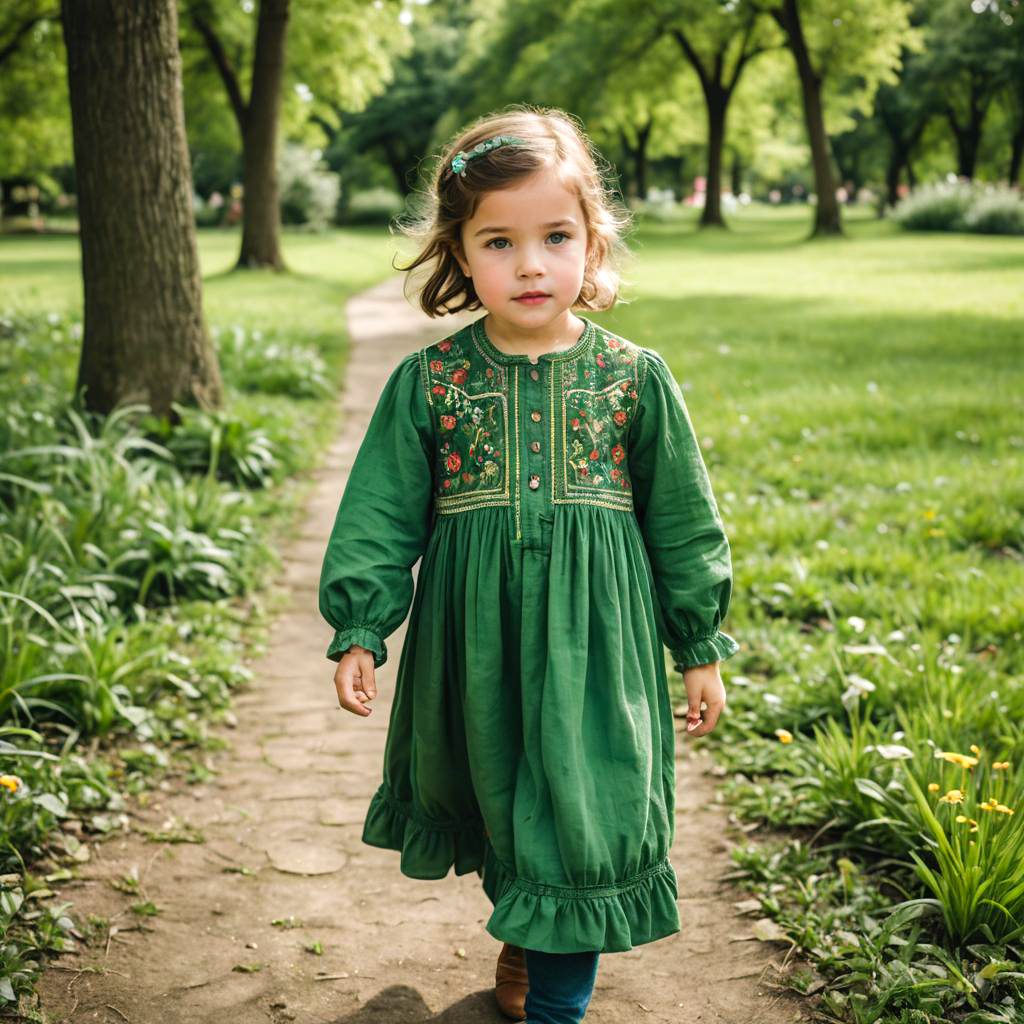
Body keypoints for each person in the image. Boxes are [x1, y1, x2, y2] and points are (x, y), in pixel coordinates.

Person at [318, 105, 740, 1024]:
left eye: (556, 236)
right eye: (499, 241)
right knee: (505, 796)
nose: (532, 263)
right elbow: (381, 516)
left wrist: (698, 642)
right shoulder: (431, 383)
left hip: (597, 649)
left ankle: (556, 1006)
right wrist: (361, 628)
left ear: (593, 244)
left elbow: (681, 520)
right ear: (461, 254)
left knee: (581, 808)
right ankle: (525, 933)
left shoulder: (634, 378)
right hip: (477, 648)